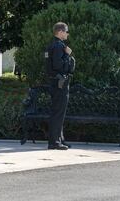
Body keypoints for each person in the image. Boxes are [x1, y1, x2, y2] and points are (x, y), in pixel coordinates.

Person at [44, 22, 75, 150]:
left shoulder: (51, 45)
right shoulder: (58, 46)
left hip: (55, 82)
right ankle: (54, 142)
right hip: (59, 82)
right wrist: (68, 55)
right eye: (66, 31)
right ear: (60, 32)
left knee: (58, 111)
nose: (67, 34)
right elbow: (58, 65)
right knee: (58, 112)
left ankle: (59, 139)